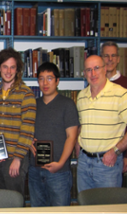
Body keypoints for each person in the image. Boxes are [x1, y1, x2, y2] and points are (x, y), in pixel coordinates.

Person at [76, 55, 127, 192]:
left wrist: (116, 151)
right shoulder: (81, 96)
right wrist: (79, 150)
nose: (93, 73)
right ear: (84, 73)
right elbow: (82, 126)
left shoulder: (121, 94)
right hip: (84, 163)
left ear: (105, 69)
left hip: (107, 165)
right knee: (84, 207)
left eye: (96, 68)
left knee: (107, 208)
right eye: (88, 70)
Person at [28, 62, 79, 207]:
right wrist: (29, 140)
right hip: (35, 170)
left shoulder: (67, 104)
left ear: (57, 80)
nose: (45, 83)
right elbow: (26, 129)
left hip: (59, 172)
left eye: (49, 78)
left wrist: (61, 163)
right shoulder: (33, 104)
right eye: (41, 78)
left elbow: (71, 137)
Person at [0, 48, 36, 199]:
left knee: (14, 202)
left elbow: (27, 129)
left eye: (12, 67)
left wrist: (18, 159)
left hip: (15, 159)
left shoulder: (26, 94)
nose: (8, 71)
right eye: (5, 67)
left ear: (17, 70)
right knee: (0, 203)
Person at [101, 41, 127, 173]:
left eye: (113, 55)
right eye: (106, 56)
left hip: (119, 152)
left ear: (118, 59)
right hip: (98, 152)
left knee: (113, 193)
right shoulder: (95, 85)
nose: (110, 59)